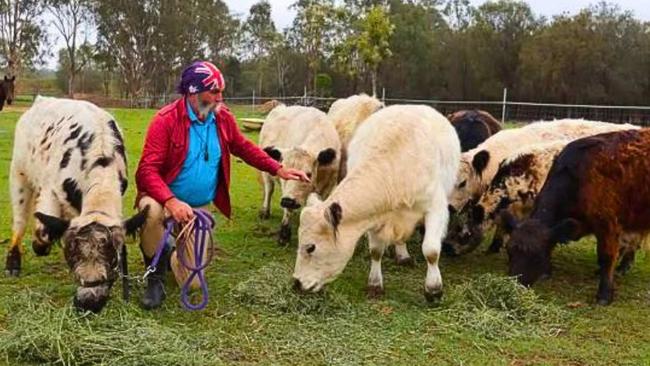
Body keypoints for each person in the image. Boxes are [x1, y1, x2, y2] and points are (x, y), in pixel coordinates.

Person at [134, 60, 309, 309]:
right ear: (193, 92)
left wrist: (278, 168)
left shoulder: (222, 117)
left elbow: (242, 146)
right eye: (214, 91)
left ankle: (171, 250)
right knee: (149, 212)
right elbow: (146, 171)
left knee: (192, 283)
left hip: (197, 208)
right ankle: (155, 277)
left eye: (221, 91)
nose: (220, 97)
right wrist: (170, 201)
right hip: (164, 199)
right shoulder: (165, 121)